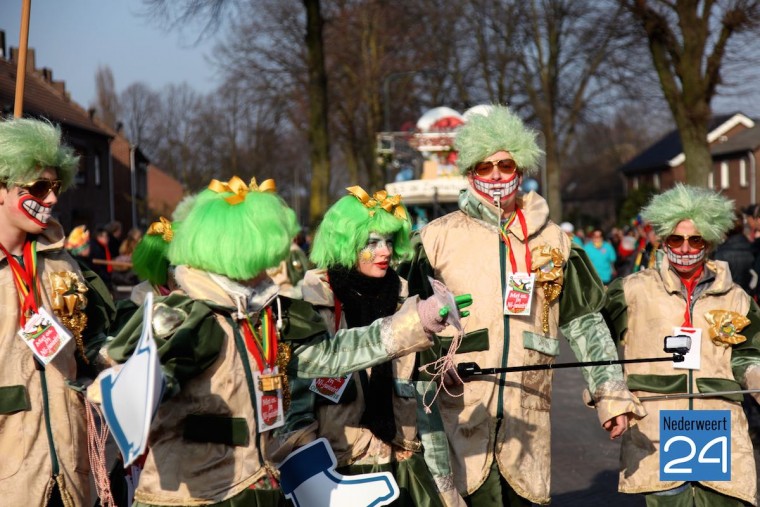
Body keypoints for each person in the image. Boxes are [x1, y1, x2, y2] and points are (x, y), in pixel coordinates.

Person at [102, 176, 459, 507]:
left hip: (256, 488)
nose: (273, 264)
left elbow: (332, 355)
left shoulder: (269, 314)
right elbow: (123, 389)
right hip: (193, 496)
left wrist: (414, 320)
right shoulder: (184, 316)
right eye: (266, 252)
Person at [402, 104, 645, 506]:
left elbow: (586, 324)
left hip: (529, 411)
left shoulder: (555, 242)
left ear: (520, 169)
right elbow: (404, 323)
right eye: (485, 167)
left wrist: (611, 397)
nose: (496, 175)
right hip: (459, 411)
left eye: (505, 165)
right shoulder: (434, 240)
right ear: (469, 172)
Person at [290, 186, 464, 506]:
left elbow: (425, 403)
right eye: (372, 243)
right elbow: (295, 399)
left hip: (401, 461)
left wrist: (445, 487)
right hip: (339, 466)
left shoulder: (406, 297)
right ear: (346, 243)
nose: (384, 251)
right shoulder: (313, 300)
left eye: (388, 241)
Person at [603, 184, 760, 506]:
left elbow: (748, 356)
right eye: (676, 239)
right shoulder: (632, 290)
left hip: (717, 423)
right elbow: (595, 343)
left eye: (695, 239)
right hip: (658, 423)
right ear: (663, 239)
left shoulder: (737, 297)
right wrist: (611, 399)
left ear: (710, 241)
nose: (685, 248)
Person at [0, 117, 114, 506]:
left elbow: (93, 342)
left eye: (56, 187)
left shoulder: (62, 263)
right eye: (38, 187)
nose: (51, 199)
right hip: (9, 474)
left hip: (68, 467)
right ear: (0, 189)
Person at [713, 213, 755, 294]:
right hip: (750, 298)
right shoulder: (753, 249)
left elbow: (718, 284)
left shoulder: (721, 252)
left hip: (728, 299)